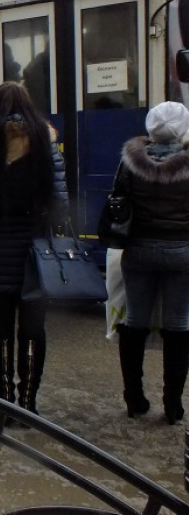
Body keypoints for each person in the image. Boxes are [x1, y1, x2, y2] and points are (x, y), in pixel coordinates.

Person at [0, 82, 68, 416]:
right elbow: (60, 201)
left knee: (0, 329)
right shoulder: (43, 140)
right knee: (34, 330)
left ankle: (5, 401)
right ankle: (29, 402)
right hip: (36, 252)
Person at [114, 101, 189, 424]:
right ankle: (173, 405)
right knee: (179, 325)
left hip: (139, 250)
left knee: (135, 322)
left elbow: (118, 201)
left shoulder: (131, 162)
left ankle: (134, 398)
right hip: (182, 253)